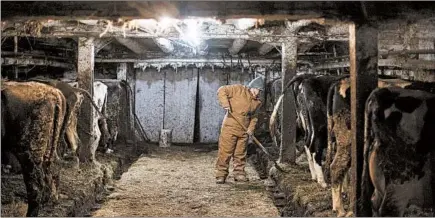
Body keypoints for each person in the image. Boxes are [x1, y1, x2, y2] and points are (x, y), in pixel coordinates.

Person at [215, 76, 264, 184]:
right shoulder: (238, 89)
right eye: (256, 90)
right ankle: (221, 174)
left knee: (240, 153)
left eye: (259, 91)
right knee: (225, 152)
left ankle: (239, 173)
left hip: (244, 130)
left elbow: (254, 117)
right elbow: (221, 90)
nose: (257, 93)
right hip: (230, 126)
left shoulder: (257, 102)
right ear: (251, 87)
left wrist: (251, 129)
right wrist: (225, 104)